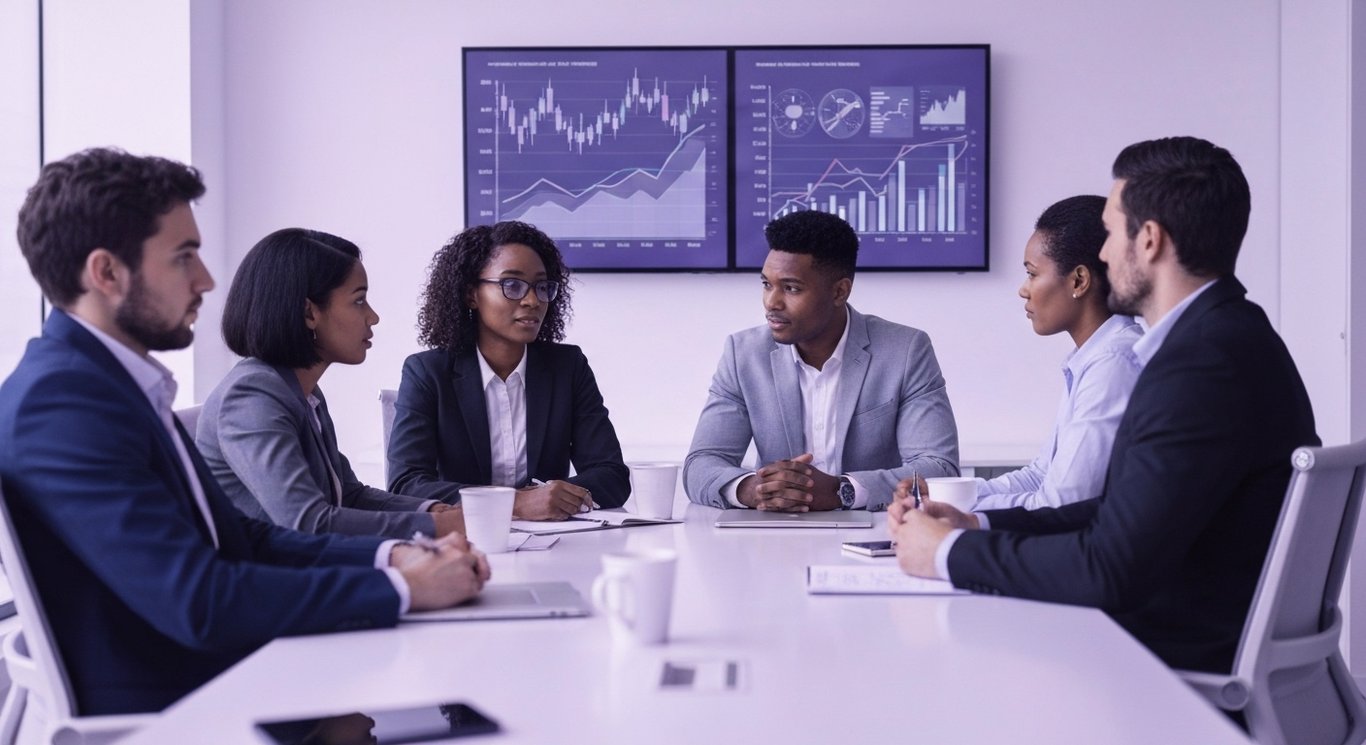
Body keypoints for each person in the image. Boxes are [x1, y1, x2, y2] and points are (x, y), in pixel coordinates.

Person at [0, 148, 489, 715]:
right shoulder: (60, 403)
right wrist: (404, 590)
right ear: (106, 272)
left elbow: (242, 537)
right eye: (184, 257)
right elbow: (200, 601)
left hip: (234, 674)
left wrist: (395, 558)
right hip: (193, 706)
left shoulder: (111, 383)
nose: (206, 280)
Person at [889, 136, 1318, 674]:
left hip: (1169, 659)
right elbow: (1121, 515)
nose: (1106, 253)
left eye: (1112, 232)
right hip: (1178, 629)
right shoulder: (1229, 336)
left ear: (1150, 241)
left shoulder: (1202, 364)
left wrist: (947, 555)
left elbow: (1111, 567)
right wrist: (976, 529)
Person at [683, 209, 959, 512]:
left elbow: (939, 469)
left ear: (840, 291)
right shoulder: (744, 354)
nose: (771, 302)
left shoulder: (905, 350)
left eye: (791, 288)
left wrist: (844, 490)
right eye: (766, 284)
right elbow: (700, 465)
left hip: (873, 534)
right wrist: (753, 489)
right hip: (772, 533)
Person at [196, 228, 464, 539]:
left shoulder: (303, 392)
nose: (373, 317)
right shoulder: (253, 395)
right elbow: (308, 522)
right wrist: (434, 527)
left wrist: (429, 510)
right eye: (359, 300)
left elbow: (349, 495)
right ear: (310, 312)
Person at [386, 221, 630, 519]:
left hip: (555, 545)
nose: (532, 300)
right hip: (464, 542)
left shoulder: (567, 368)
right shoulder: (428, 373)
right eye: (512, 285)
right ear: (471, 294)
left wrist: (554, 497)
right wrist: (515, 503)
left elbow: (611, 475)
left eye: (542, 287)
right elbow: (405, 484)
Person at [970, 195, 1142, 511]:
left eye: (1032, 273)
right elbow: (1041, 475)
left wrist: (967, 512)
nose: (1023, 289)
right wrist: (956, 497)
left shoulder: (1113, 364)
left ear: (1079, 280)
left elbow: (1062, 502)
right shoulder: (1093, 357)